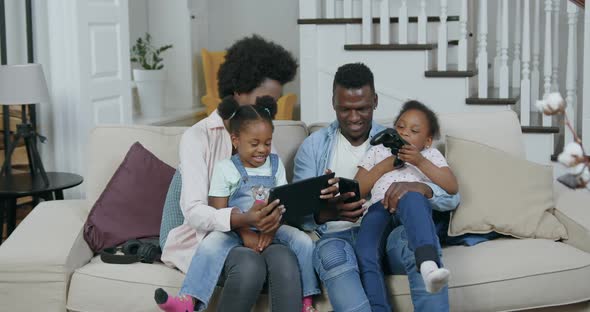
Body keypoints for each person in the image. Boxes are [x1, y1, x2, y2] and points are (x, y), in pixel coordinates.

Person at [293, 63, 460, 312]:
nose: (353, 117)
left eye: (361, 108)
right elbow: (297, 213)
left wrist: (420, 188)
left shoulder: (398, 139)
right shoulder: (313, 146)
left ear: (375, 101)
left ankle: (429, 271)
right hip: (334, 237)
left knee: (412, 238)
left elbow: (451, 197)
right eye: (345, 109)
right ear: (333, 103)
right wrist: (330, 210)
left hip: (389, 233)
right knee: (334, 258)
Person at [156, 35, 301, 312]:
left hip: (255, 232)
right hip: (205, 237)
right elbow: (196, 212)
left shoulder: (265, 134)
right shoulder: (198, 137)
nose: (268, 114)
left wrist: (271, 222)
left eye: (273, 104)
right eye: (263, 101)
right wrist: (242, 223)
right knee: (249, 266)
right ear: (237, 90)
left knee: (285, 259)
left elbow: (273, 195)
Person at [354, 100, 458, 311]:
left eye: (414, 130)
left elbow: (452, 187)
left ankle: (428, 263)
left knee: (413, 197)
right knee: (365, 251)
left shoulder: (430, 155)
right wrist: (385, 165)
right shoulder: (379, 151)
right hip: (379, 208)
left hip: (411, 209)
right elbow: (358, 189)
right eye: (400, 127)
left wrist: (419, 162)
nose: (405, 133)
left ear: (427, 141)